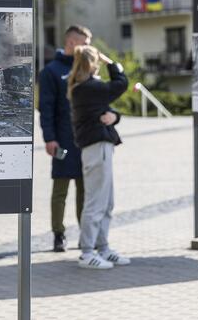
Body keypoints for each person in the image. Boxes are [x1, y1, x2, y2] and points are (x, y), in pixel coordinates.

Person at [68, 45, 129, 269]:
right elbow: (121, 84)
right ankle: (87, 252)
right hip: (96, 148)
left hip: (99, 147)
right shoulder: (88, 87)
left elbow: (104, 110)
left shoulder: (83, 88)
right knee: (95, 202)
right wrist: (111, 62)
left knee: (107, 201)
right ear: (92, 64)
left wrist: (114, 116)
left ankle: (102, 248)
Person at [38, 25, 91, 252]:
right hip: (62, 142)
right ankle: (58, 234)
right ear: (71, 43)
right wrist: (50, 138)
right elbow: (46, 108)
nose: (89, 47)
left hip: (86, 141)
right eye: (85, 43)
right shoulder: (51, 71)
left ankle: (85, 234)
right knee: (61, 188)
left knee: (85, 189)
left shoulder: (87, 69)